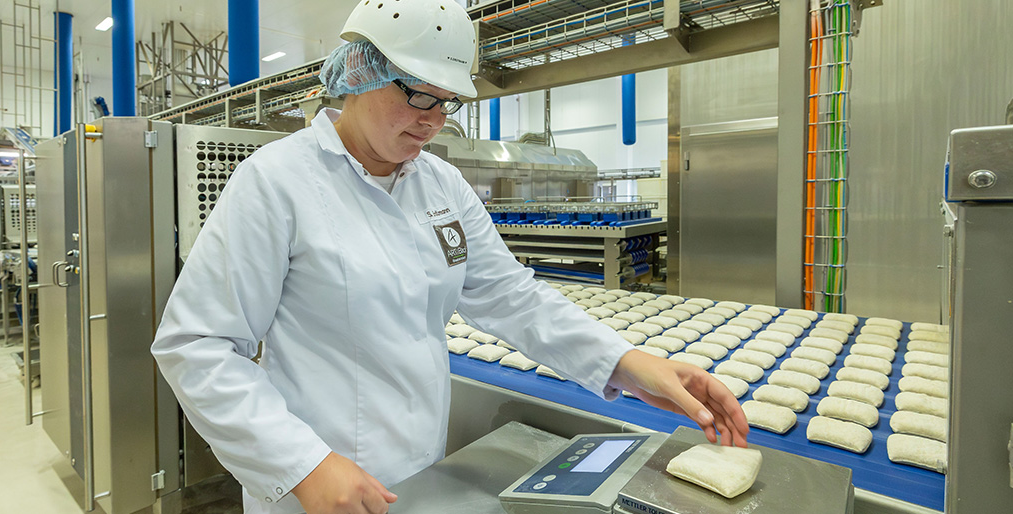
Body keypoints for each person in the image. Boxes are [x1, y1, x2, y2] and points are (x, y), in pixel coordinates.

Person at [151, 2, 748, 513]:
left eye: (448, 103)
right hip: (317, 483)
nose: (434, 121)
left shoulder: (441, 184)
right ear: (360, 73)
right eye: (418, 96)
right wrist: (303, 464)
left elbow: (511, 297)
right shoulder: (275, 181)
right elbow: (197, 345)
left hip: (421, 470)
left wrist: (627, 363)